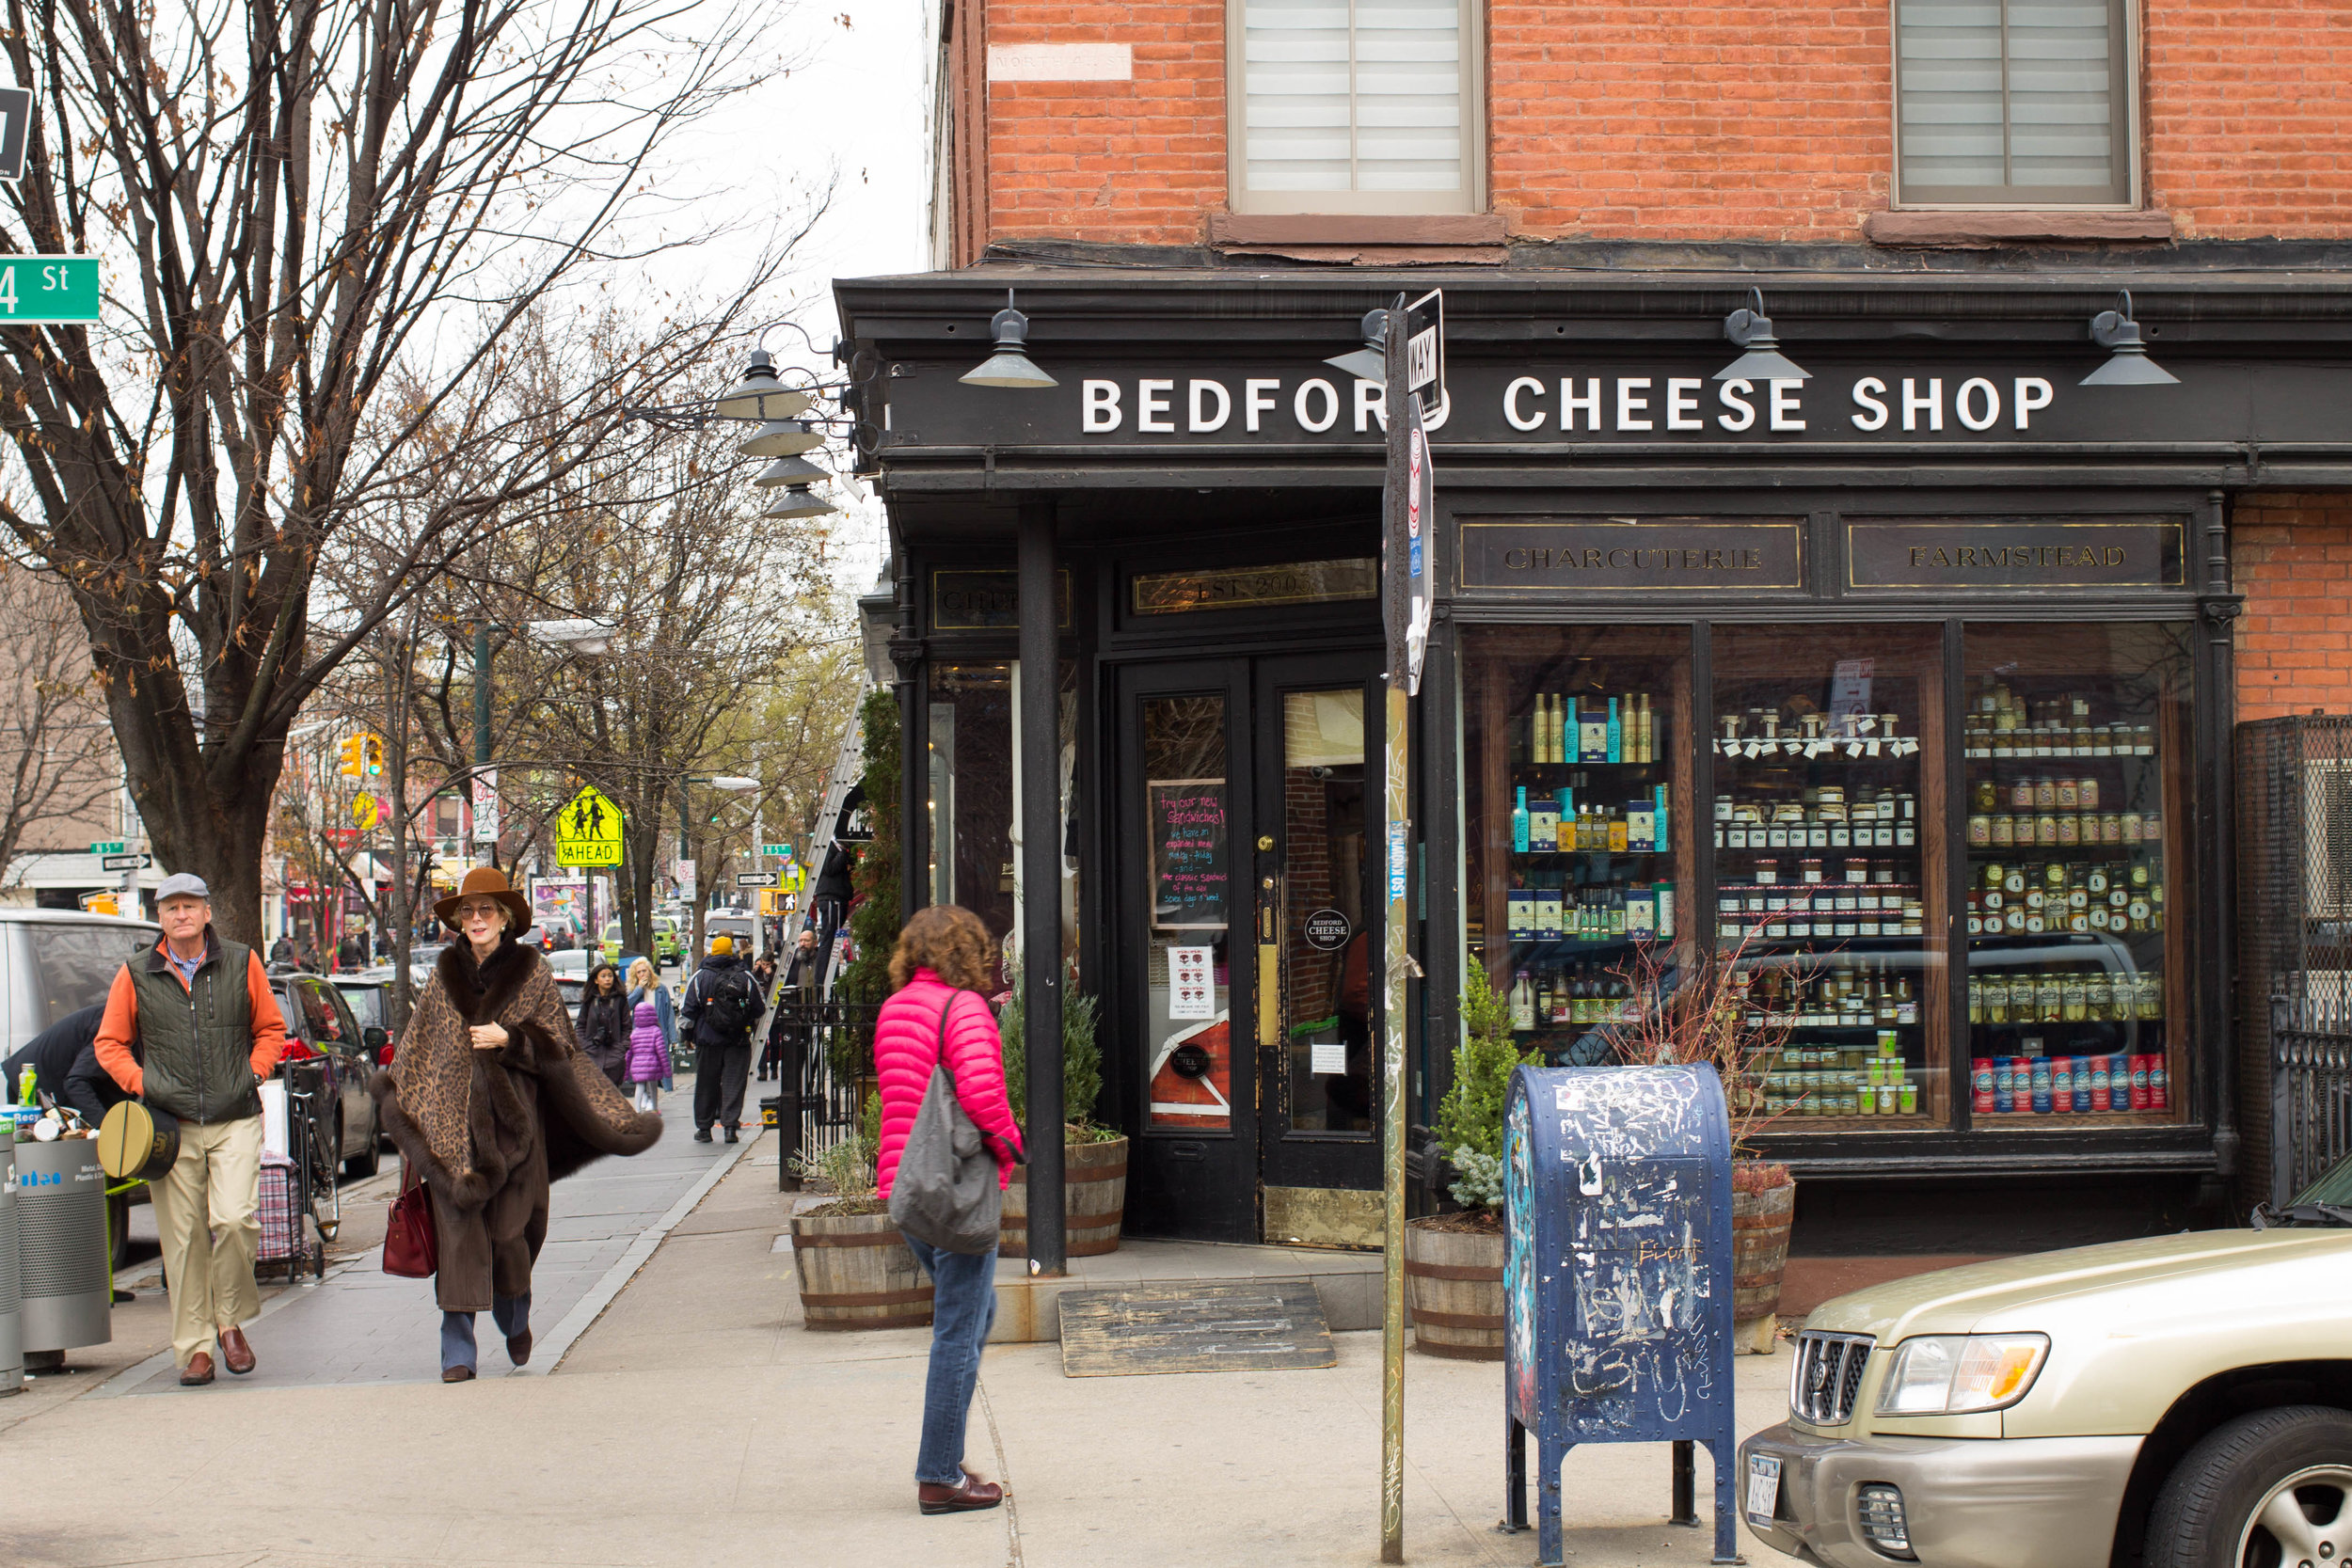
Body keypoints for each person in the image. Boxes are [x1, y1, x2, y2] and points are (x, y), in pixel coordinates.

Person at [370, 866, 661, 1383]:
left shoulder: (534, 972)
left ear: (505, 919)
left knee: (511, 1235)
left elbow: (560, 1045)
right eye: (468, 911)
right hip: (452, 1126)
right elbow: (422, 1047)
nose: (476, 919)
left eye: (486, 910)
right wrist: (406, 1103)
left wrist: (511, 1041)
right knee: (457, 1233)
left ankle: (515, 1308)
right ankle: (456, 1349)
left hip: (516, 1125)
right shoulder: (442, 975)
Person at [92, 873, 287, 1386]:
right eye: (171, 907)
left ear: (206, 913)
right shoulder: (135, 973)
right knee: (182, 1241)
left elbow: (270, 1029)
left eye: (190, 906)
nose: (181, 914)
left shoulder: (242, 961)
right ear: (160, 917)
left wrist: (255, 1071)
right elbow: (109, 1043)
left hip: (236, 1114)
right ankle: (196, 1348)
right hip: (169, 1126)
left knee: (235, 1220)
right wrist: (144, 1083)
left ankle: (230, 1321)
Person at [874, 906, 1025, 1515]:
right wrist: (1012, 1143)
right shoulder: (962, 1008)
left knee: (974, 1312)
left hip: (907, 1189)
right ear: (967, 951)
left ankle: (945, 1455)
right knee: (958, 1328)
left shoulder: (896, 1007)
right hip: (956, 1186)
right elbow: (983, 1091)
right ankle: (938, 1473)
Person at [679, 933, 764, 1144]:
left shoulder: (700, 976)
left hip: (708, 1040)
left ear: (712, 951)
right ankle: (729, 1127)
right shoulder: (745, 975)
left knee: (706, 1083)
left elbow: (687, 1011)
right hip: (737, 1039)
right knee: (734, 1082)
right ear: (732, 952)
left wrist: (688, 1036)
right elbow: (759, 1006)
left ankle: (704, 1129)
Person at [4, 1004, 130, 1126]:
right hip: (36, 1083)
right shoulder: (118, 1028)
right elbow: (76, 1082)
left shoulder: (122, 1021)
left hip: (45, 1078)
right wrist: (106, 1127)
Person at [623, 958, 674, 1114]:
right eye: (638, 972)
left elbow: (669, 1012)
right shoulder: (633, 989)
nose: (642, 974)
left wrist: (673, 1036)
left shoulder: (660, 989)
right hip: (640, 1036)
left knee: (655, 1066)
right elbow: (626, 1006)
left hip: (657, 1032)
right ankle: (644, 1096)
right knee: (641, 1068)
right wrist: (638, 989)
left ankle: (653, 1098)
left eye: (644, 971)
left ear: (650, 972)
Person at [575, 962, 630, 1088]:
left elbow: (626, 1026)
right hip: (592, 1053)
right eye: (603, 976)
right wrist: (585, 1045)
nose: (607, 979)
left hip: (614, 1055)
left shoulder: (620, 1000)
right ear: (596, 980)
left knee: (612, 1094)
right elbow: (581, 1025)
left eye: (610, 976)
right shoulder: (589, 1000)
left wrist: (622, 1048)